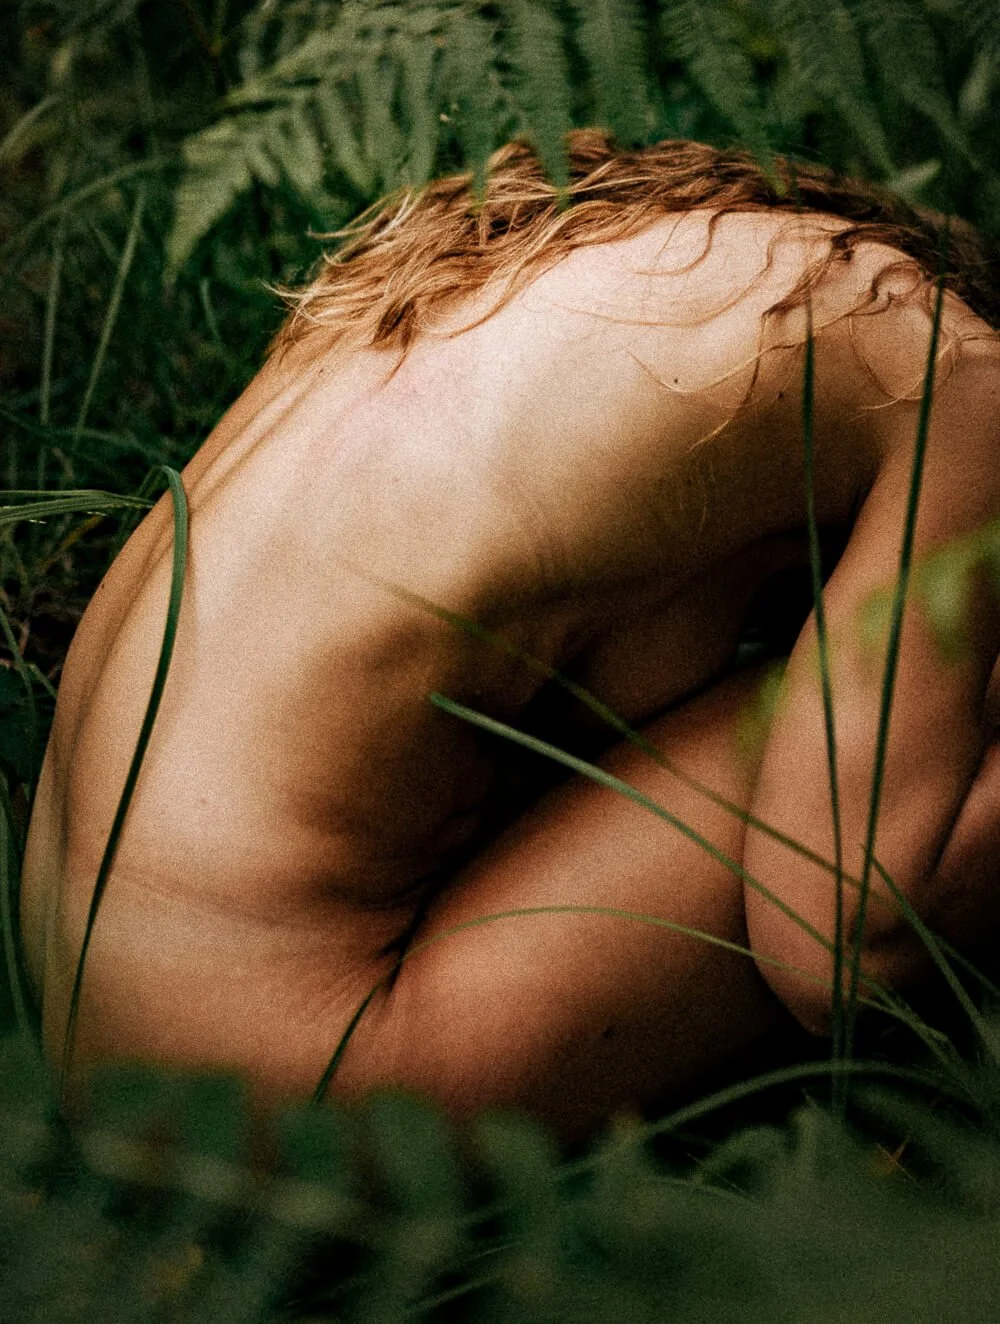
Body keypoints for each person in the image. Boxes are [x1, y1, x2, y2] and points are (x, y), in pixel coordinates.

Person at [19, 131, 1000, 1142]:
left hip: (74, 1010)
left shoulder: (535, 249)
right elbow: (840, 941)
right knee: (905, 720)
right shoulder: (961, 367)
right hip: (278, 1084)